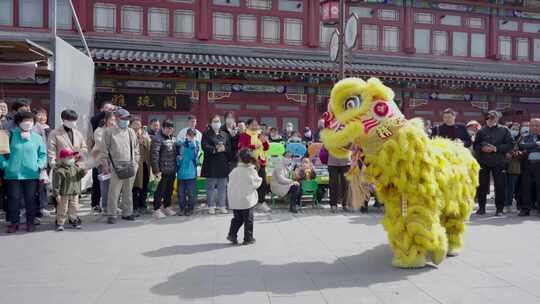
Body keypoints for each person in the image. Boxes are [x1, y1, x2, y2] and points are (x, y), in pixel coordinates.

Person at [0, 111, 47, 233]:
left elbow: (42, 154)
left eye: (30, 121)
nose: (27, 123)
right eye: (24, 121)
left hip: (31, 173)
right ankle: (14, 223)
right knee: (13, 199)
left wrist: (39, 165)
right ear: (18, 123)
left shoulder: (37, 137)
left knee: (30, 199)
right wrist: (5, 166)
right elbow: (1, 153)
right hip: (12, 174)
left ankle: (30, 222)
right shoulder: (9, 135)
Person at [98, 108, 140, 224]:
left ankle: (127, 212)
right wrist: (105, 165)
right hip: (115, 166)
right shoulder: (108, 132)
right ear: (117, 118)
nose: (126, 121)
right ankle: (112, 214)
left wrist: (136, 162)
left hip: (130, 165)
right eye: (124, 119)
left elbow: (136, 148)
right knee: (114, 192)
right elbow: (104, 150)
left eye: (127, 119)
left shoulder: (131, 131)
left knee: (128, 191)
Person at [473, 110, 514, 216]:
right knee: (482, 185)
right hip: (483, 161)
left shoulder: (504, 130)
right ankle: (481, 208)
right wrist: (482, 149)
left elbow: (510, 144)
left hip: (498, 161)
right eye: (488, 118)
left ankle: (499, 209)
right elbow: (475, 145)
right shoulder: (481, 130)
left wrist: (496, 148)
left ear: (497, 119)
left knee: (500, 186)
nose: (490, 120)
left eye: (492, 118)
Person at [227, 149, 262, 245]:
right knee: (248, 220)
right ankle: (248, 238)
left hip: (235, 199)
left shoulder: (234, 171)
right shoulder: (251, 171)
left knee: (237, 219)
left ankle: (232, 234)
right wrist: (260, 179)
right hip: (247, 200)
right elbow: (255, 184)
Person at [238, 119, 271, 212]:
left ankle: (261, 202)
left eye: (256, 125)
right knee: (249, 183)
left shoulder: (260, 135)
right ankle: (248, 203)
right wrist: (253, 147)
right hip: (249, 162)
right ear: (247, 125)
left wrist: (264, 141)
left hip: (260, 162)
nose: (255, 126)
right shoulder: (244, 135)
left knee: (263, 182)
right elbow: (241, 147)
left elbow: (266, 147)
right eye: (253, 125)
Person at [201, 115, 231, 214]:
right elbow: (204, 146)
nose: (216, 123)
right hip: (211, 164)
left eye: (218, 121)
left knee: (223, 186)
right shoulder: (206, 134)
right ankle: (211, 206)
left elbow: (229, 147)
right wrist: (215, 149)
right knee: (211, 187)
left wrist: (224, 149)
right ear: (210, 123)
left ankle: (222, 205)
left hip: (222, 163)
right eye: (214, 121)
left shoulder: (225, 134)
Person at [90, 101, 116, 212]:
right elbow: (103, 145)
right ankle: (105, 206)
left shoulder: (114, 130)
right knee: (104, 185)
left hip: (114, 161)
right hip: (102, 161)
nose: (113, 122)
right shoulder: (99, 130)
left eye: (115, 120)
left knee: (113, 185)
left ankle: (112, 205)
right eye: (112, 120)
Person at [52, 148, 86, 231]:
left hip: (74, 192)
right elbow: (56, 184)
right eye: (69, 157)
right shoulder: (59, 170)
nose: (72, 159)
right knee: (62, 208)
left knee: (74, 207)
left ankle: (74, 220)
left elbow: (79, 176)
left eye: (72, 157)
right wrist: (57, 194)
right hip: (64, 193)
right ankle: (60, 223)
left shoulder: (74, 167)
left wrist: (83, 171)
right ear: (63, 158)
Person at [150, 119, 178, 219]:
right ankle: (156, 209)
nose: (169, 130)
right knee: (160, 190)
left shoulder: (174, 139)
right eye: (167, 128)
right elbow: (154, 155)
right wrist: (156, 170)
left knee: (169, 190)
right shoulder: (157, 138)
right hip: (162, 170)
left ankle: (167, 207)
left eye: (170, 128)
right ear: (162, 128)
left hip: (172, 169)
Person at [518, 118, 540, 216]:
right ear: (529, 126)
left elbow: (527, 148)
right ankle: (525, 209)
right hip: (527, 165)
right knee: (526, 187)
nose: (535, 127)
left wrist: (529, 147)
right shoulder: (525, 137)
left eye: (537, 125)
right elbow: (522, 146)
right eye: (533, 125)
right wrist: (536, 145)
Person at [32, 108, 51, 219]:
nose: (42, 117)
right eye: (39, 115)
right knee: (35, 186)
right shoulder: (34, 129)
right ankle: (36, 208)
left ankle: (43, 207)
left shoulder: (49, 129)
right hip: (36, 161)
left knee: (43, 186)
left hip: (46, 161)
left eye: (44, 115)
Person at [176, 128, 199, 216]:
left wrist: (191, 143)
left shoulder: (195, 144)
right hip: (181, 173)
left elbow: (195, 155)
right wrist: (178, 159)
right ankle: (182, 209)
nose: (191, 136)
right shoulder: (181, 144)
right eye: (189, 134)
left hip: (191, 173)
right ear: (186, 135)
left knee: (191, 193)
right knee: (181, 193)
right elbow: (178, 158)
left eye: (193, 135)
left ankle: (190, 209)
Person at [131, 119, 152, 215]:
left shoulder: (144, 133)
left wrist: (144, 140)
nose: (137, 127)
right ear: (131, 125)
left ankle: (143, 205)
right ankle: (134, 207)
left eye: (139, 125)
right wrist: (136, 141)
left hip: (144, 164)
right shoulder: (128, 134)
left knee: (144, 186)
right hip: (134, 164)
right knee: (135, 187)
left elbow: (149, 145)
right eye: (135, 124)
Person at [505, 122, 524, 214]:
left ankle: (510, 204)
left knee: (511, 187)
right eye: (513, 129)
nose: (515, 131)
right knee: (504, 186)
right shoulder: (505, 138)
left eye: (517, 129)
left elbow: (523, 152)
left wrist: (517, 153)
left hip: (515, 166)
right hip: (504, 165)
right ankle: (504, 204)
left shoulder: (521, 139)